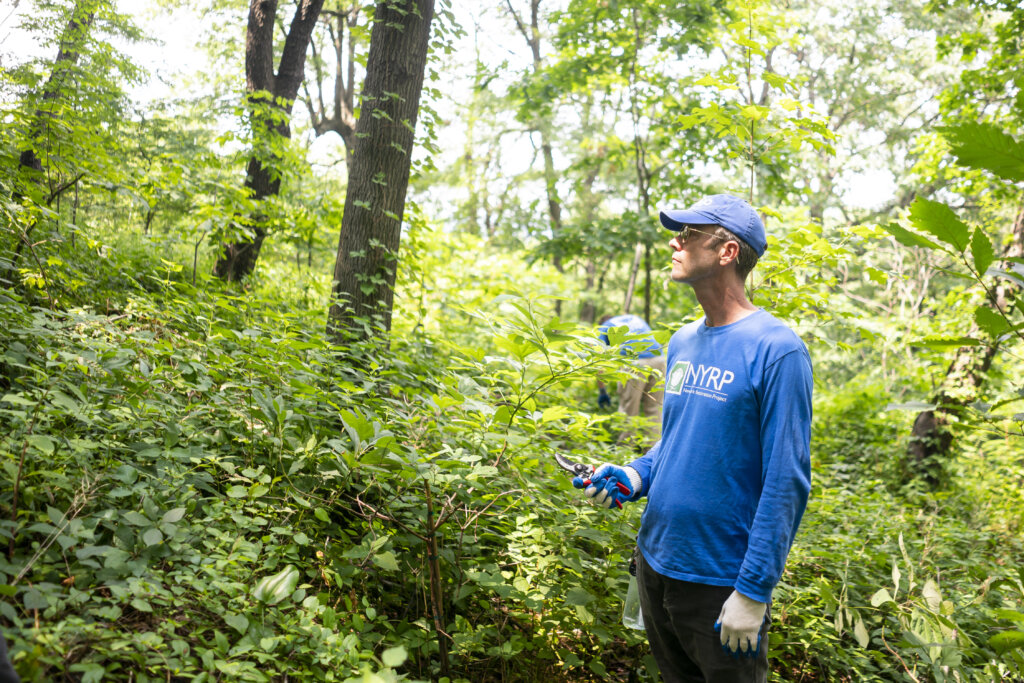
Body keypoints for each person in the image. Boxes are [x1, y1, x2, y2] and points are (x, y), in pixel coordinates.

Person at [572, 194, 812, 683]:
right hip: (656, 561)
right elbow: (676, 441)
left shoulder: (778, 350)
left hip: (720, 581)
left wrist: (753, 590)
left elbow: (786, 479)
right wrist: (635, 474)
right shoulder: (682, 341)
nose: (674, 242)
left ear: (727, 252)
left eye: (688, 234)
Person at [596, 313, 666, 447]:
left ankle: (625, 451)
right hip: (659, 360)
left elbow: (598, 362)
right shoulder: (635, 318)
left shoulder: (605, 326)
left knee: (629, 409)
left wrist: (602, 391)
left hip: (635, 363)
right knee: (654, 410)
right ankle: (652, 454)